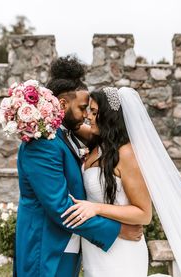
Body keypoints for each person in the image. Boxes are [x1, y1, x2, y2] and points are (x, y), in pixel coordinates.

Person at [15, 57, 143, 277]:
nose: (87, 115)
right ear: (63, 105)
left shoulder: (64, 134)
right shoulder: (43, 144)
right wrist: (118, 229)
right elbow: (60, 207)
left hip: (71, 245)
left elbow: (101, 135)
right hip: (47, 247)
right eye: (83, 108)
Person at [62, 87, 181, 277]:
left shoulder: (127, 154)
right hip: (96, 247)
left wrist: (96, 208)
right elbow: (69, 123)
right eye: (89, 110)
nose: (88, 117)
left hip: (122, 250)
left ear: (109, 117)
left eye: (95, 112)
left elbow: (144, 214)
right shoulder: (97, 144)